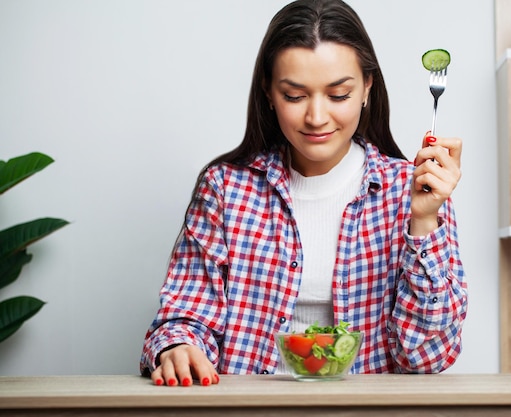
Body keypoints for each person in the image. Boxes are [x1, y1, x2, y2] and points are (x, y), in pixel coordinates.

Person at [140, 0, 467, 387]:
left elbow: (424, 358)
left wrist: (424, 222)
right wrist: (177, 347)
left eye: (338, 95)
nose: (316, 117)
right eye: (295, 96)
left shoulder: (409, 190)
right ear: (268, 92)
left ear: (367, 88)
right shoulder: (225, 190)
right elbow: (185, 316)